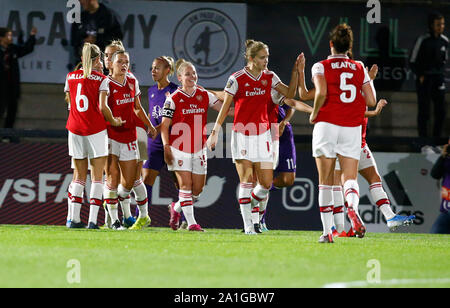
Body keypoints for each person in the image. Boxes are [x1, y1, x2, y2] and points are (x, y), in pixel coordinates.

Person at [298, 55, 415, 237]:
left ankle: (341, 227)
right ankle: (384, 216)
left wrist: (299, 73)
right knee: (370, 180)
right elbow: (366, 100)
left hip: (338, 139)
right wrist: (371, 84)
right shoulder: (355, 90)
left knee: (334, 185)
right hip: (356, 142)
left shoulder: (331, 89)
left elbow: (306, 95)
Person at [207, 39, 302, 234]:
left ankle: (247, 207)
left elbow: (291, 94)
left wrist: (296, 72)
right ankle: (249, 226)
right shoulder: (237, 78)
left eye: (267, 57)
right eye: (261, 57)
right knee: (247, 181)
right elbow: (225, 108)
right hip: (242, 134)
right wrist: (214, 132)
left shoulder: (270, 77)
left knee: (265, 184)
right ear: (251, 58)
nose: (265, 60)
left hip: (264, 136)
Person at [308, 24, 378, 243]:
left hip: (326, 125)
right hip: (351, 127)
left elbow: (321, 92)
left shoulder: (320, 66)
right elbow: (371, 100)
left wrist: (314, 114)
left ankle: (327, 232)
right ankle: (352, 208)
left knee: (325, 181)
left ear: (331, 45)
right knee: (349, 178)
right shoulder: (358, 67)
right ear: (349, 46)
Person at [162, 59, 228, 232]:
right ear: (180, 77)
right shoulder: (173, 99)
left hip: (199, 148)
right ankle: (192, 223)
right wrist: (166, 146)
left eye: (194, 73)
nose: (192, 76)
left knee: (197, 190)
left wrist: (243, 107)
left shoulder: (204, 94)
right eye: (188, 74)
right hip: (178, 148)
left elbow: (225, 109)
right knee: (185, 186)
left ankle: (175, 208)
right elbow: (164, 126)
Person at [64, 43, 124, 229]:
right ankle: (92, 221)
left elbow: (70, 102)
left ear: (82, 59)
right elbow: (102, 107)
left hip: (74, 129)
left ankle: (72, 219)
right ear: (98, 59)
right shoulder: (101, 79)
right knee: (97, 177)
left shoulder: (70, 77)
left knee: (78, 176)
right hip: (95, 130)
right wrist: (114, 121)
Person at [101, 50, 156, 230]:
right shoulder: (106, 83)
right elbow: (102, 108)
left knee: (131, 180)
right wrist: (113, 121)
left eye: (126, 62)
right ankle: (115, 221)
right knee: (112, 177)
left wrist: (149, 125)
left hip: (129, 135)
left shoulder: (132, 81)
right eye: (120, 62)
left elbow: (138, 108)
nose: (124, 65)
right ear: (111, 64)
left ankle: (119, 207)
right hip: (110, 136)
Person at [254, 89, 313, 233]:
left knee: (287, 180)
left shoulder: (274, 84)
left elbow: (290, 105)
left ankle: (253, 197)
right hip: (262, 134)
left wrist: (284, 121)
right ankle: (258, 220)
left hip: (283, 134)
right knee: (261, 180)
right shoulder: (251, 89)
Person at [410, 12, 448, 138]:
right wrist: (420, 75)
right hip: (425, 79)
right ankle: (423, 141)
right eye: (438, 24)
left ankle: (436, 140)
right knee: (424, 111)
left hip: (439, 79)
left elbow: (444, 61)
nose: (441, 27)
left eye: (442, 24)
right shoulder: (423, 40)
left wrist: (441, 75)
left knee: (441, 112)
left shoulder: (445, 41)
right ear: (431, 25)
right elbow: (412, 60)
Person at [0, 27, 37, 140]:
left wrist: (32, 37)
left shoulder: (12, 49)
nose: (11, 38)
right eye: (8, 35)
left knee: (12, 112)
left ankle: (7, 135)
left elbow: (26, 49)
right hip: (1, 87)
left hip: (12, 87)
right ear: (1, 38)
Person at [70, 0, 123, 70]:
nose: (81, 2)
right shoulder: (80, 17)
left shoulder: (109, 16)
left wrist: (97, 40)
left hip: (104, 66)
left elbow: (118, 39)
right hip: (84, 64)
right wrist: (83, 44)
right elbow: (74, 41)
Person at [430, 138, 450, 234]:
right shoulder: (446, 159)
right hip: (447, 209)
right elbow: (435, 174)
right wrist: (443, 156)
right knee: (435, 235)